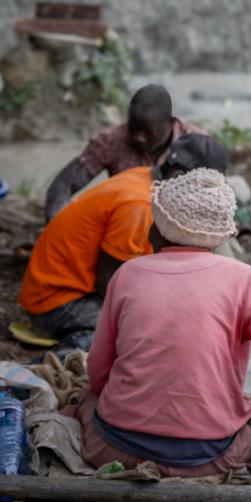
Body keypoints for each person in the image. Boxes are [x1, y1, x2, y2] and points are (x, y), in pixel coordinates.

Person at [67, 168, 251, 477]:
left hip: (115, 448)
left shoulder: (128, 274)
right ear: (220, 234)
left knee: (87, 399)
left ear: (159, 227)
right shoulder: (243, 279)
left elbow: (98, 376)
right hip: (208, 458)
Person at [19, 133, 229, 344]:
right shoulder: (140, 206)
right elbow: (111, 284)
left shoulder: (145, 176)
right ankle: (77, 346)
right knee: (157, 329)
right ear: (178, 175)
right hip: (55, 305)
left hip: (59, 288)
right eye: (203, 191)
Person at [44, 84, 205, 221]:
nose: (139, 137)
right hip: (123, 226)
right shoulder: (112, 141)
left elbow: (215, 196)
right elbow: (63, 186)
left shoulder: (196, 144)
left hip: (181, 228)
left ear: (170, 122)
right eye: (133, 129)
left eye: (148, 132)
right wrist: (56, 228)